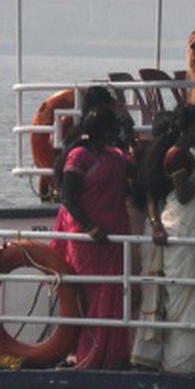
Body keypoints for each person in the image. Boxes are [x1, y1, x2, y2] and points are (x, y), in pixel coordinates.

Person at [131, 104, 195, 373]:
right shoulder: (176, 155)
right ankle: (182, 358)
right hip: (183, 227)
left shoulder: (189, 153)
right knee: (183, 293)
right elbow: (185, 194)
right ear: (183, 129)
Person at [51, 107, 133, 369]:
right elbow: (68, 197)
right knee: (86, 291)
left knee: (113, 290)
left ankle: (109, 353)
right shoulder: (79, 156)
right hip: (87, 238)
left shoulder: (115, 156)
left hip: (114, 235)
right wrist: (91, 228)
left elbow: (137, 176)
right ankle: (82, 351)